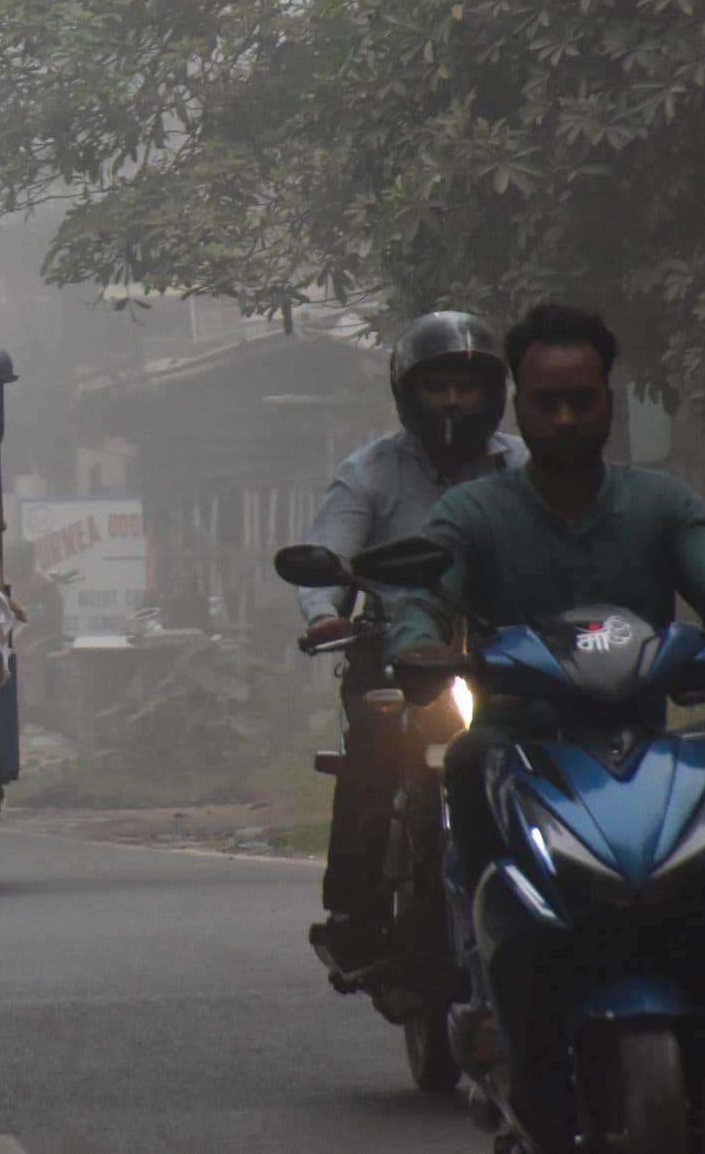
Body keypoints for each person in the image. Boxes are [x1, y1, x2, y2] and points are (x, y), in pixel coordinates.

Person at [389, 304, 705, 1139]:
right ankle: (491, 979)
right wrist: (418, 643)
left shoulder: (660, 503)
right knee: (466, 757)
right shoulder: (476, 513)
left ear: (611, 400)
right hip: (525, 751)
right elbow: (424, 594)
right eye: (547, 402)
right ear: (521, 408)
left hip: (645, 747)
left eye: (582, 399)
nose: (566, 417)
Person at [298, 310, 526, 973]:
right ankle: (355, 915)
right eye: (437, 387)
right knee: (373, 752)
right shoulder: (369, 472)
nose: (453, 401)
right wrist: (325, 615)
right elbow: (327, 557)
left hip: (504, 653)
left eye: (466, 386)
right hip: (395, 658)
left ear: (493, 393)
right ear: (408, 394)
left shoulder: (523, 465)